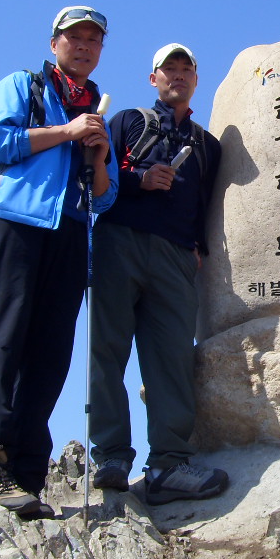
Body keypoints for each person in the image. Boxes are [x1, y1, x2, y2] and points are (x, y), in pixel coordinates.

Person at [0, 6, 119, 517]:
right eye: (75, 37)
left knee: (51, 356)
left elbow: (106, 197)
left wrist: (95, 153)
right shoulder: (23, 86)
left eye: (94, 40)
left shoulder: (96, 108)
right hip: (11, 222)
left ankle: (27, 473)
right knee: (0, 341)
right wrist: (68, 132)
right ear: (55, 43)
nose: (84, 46)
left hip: (71, 234)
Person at [88, 43, 228, 505]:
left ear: (196, 79)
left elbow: (208, 205)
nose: (179, 75)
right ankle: (111, 454)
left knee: (171, 359)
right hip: (118, 241)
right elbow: (96, 176)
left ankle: (169, 464)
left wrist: (200, 251)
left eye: (187, 68)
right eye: (170, 68)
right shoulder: (128, 120)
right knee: (107, 349)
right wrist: (140, 180)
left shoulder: (207, 146)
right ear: (153, 78)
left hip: (175, 256)